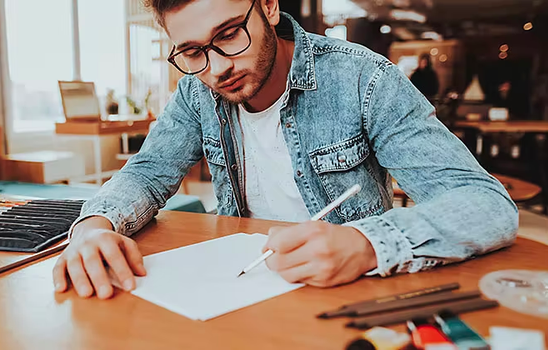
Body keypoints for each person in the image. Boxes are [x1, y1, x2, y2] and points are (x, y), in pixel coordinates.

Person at [52, 0, 518, 299]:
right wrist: (94, 227)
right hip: (239, 285)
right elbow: (149, 171)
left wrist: (365, 245)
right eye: (192, 51)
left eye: (230, 33)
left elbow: (486, 205)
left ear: (270, 7)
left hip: (345, 289)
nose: (216, 69)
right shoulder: (196, 92)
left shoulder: (363, 80)